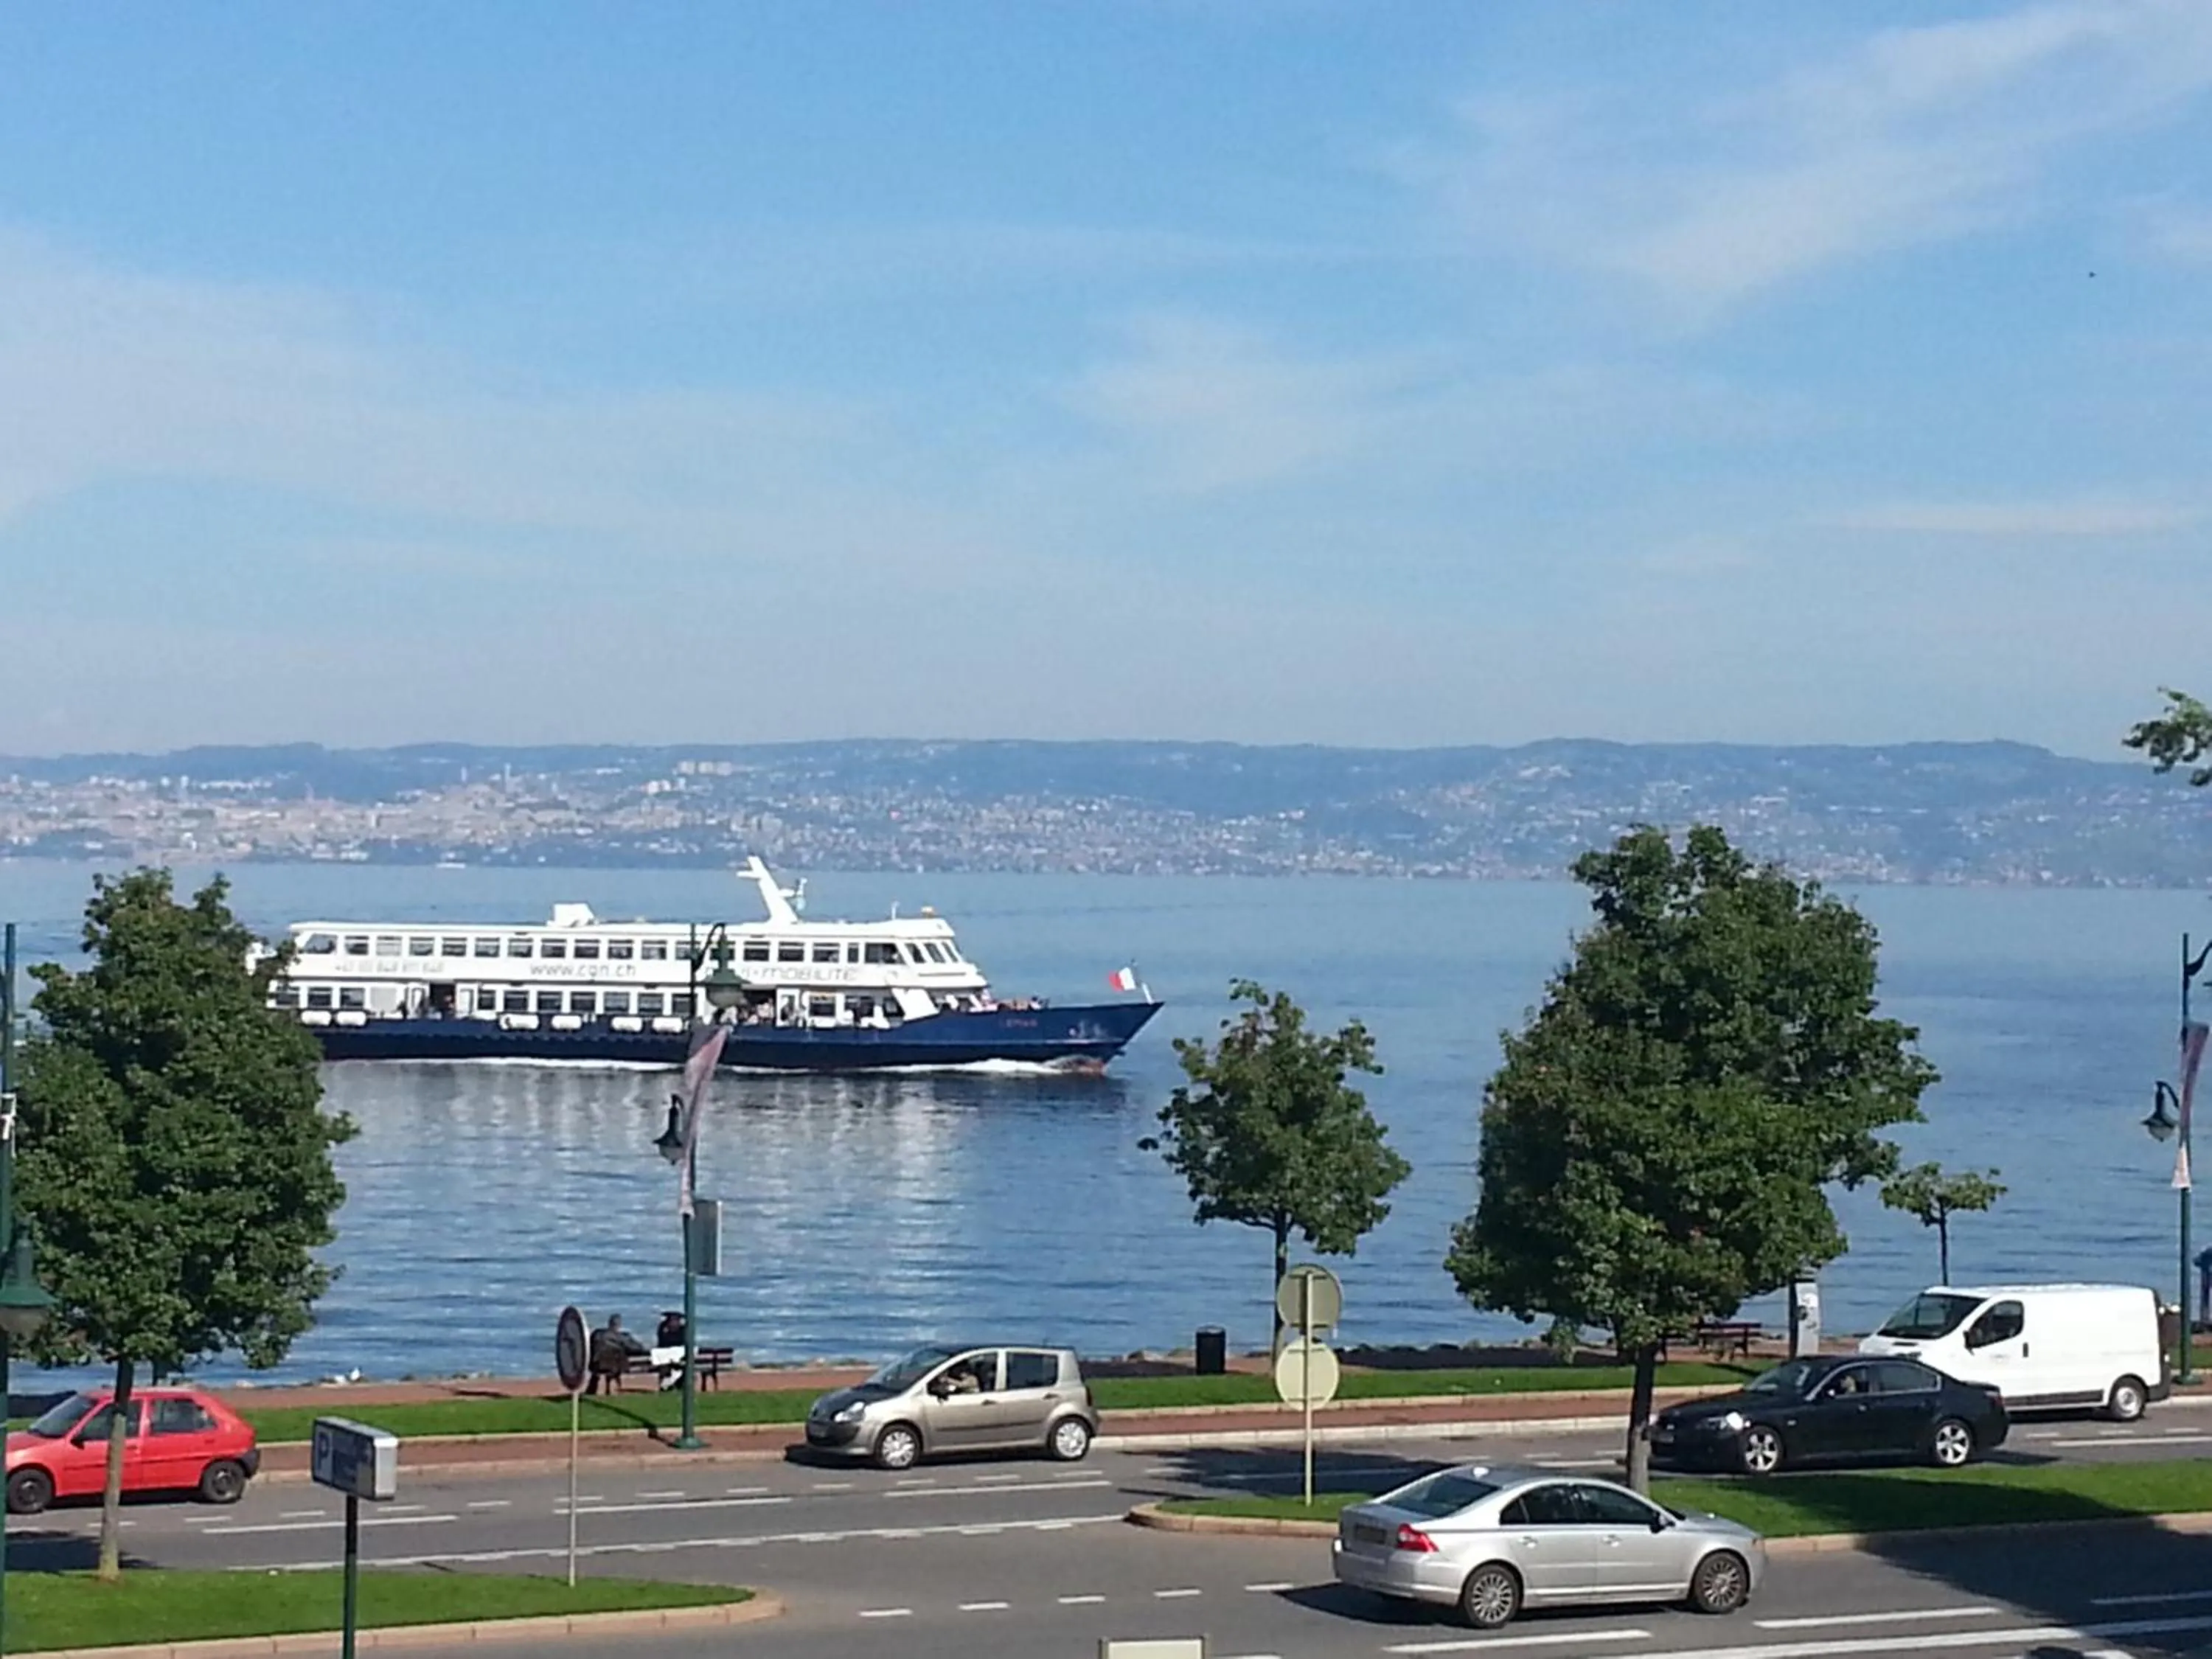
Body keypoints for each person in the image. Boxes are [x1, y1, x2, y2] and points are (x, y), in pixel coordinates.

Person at [587, 1312, 646, 1395]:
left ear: (609, 1323)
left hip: (596, 1365)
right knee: (619, 1359)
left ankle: (593, 1389)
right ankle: (614, 1386)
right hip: (614, 1366)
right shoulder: (621, 1337)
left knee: (607, 1361)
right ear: (619, 1325)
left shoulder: (597, 1334)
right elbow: (636, 1348)